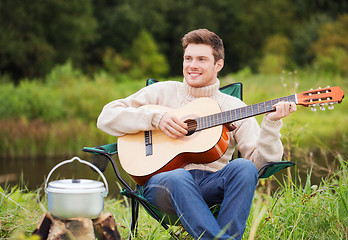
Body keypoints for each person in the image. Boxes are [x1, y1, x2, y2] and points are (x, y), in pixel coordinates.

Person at [97, 29, 297, 239]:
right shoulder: (160, 93)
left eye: (201, 59)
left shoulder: (234, 107)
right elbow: (106, 117)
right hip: (163, 185)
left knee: (244, 167)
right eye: (188, 58)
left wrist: (271, 125)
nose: (192, 65)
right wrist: (155, 119)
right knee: (179, 176)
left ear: (218, 65)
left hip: (210, 185)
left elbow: (261, 164)